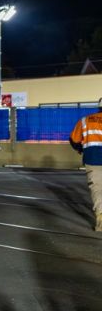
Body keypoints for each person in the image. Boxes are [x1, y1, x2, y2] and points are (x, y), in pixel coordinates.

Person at [69, 97, 102, 232]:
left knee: (98, 190)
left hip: (93, 159)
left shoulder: (85, 120)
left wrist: (80, 149)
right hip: (93, 159)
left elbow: (74, 140)